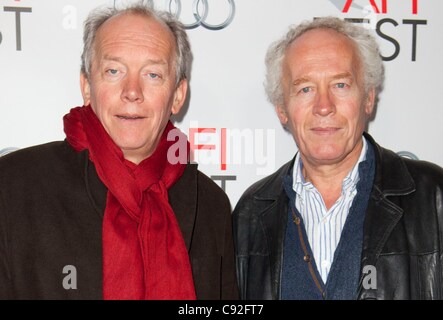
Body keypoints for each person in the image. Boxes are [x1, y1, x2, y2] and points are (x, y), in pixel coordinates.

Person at [0, 3, 238, 300]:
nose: (132, 91)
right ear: (86, 87)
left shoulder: (210, 205)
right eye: (114, 71)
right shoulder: (12, 186)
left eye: (152, 75)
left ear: (177, 96)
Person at [233, 16, 443, 300]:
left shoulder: (434, 197)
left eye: (340, 85)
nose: (323, 107)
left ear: (368, 98)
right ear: (282, 109)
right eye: (305, 88)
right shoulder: (250, 214)